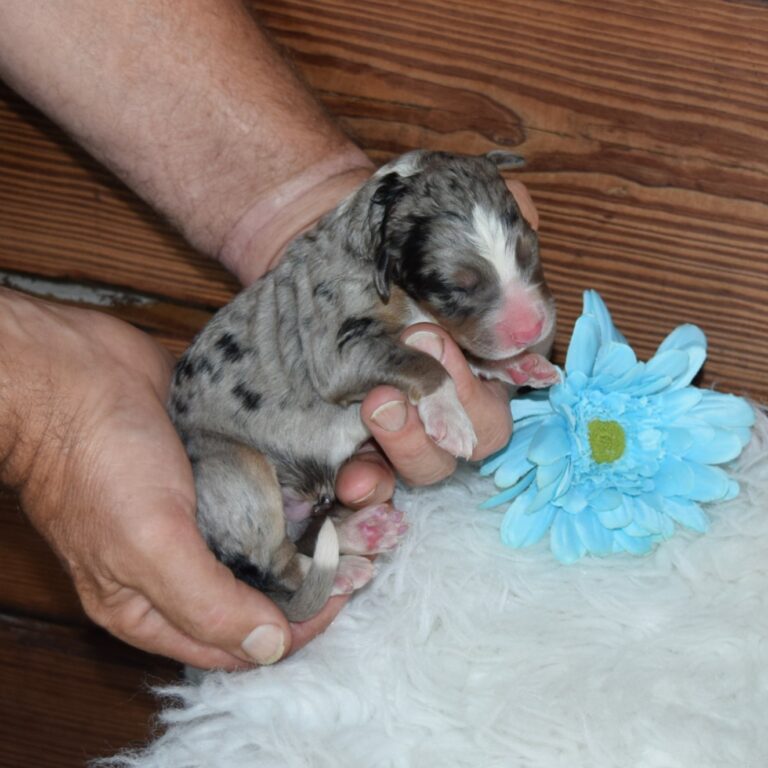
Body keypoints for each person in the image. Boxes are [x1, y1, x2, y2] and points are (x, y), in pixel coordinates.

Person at [0, 0, 537, 670]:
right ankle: (290, 569)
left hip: (290, 445)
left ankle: (323, 530)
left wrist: (299, 202)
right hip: (238, 448)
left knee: (364, 457)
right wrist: (37, 426)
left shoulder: (365, 259)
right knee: (281, 477)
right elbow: (345, 365)